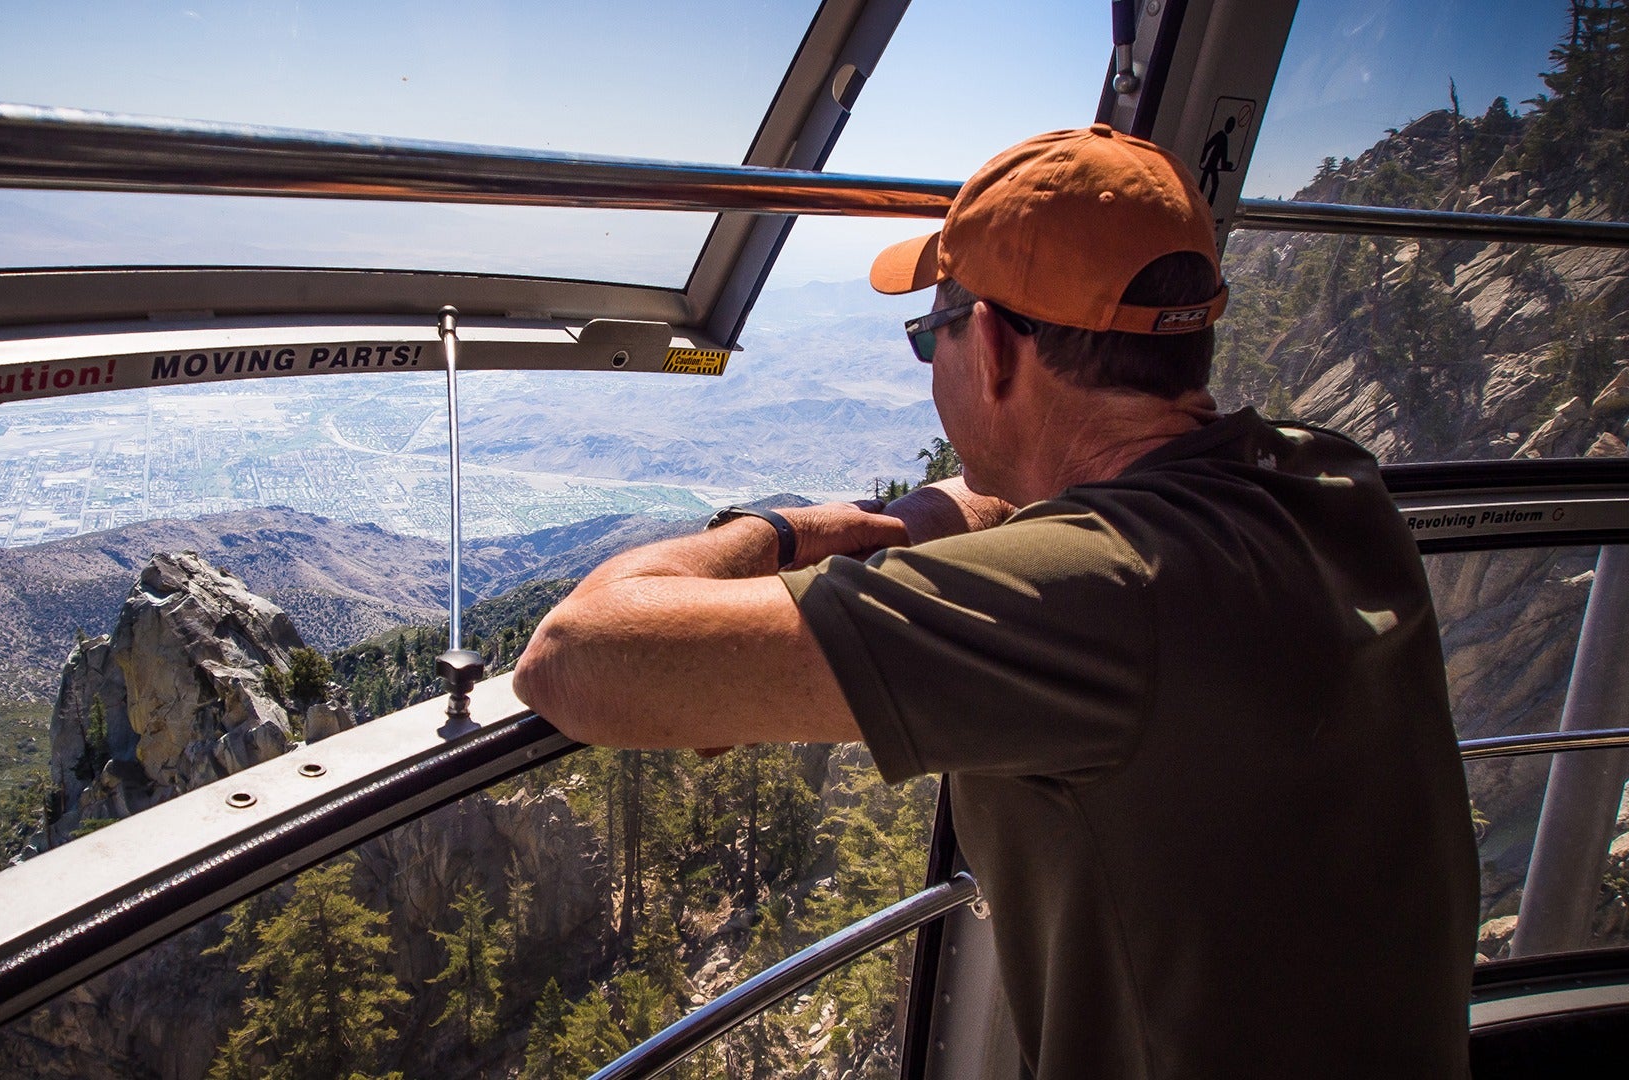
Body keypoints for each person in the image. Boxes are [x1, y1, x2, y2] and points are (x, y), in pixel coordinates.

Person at [512, 125, 1477, 1078]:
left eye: (929, 332)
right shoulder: (1328, 478)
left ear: (996, 349)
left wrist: (781, 531)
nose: (931, 359)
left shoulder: (1100, 598)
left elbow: (573, 656)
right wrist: (921, 518)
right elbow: (1037, 500)